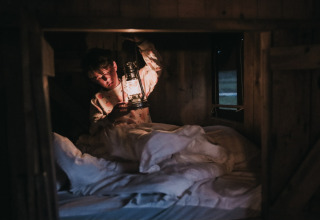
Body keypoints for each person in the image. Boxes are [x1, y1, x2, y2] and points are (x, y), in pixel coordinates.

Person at [82, 35, 163, 135]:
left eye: (106, 72)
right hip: (121, 143)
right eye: (98, 77)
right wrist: (111, 117)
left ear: (114, 65)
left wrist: (142, 44)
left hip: (144, 138)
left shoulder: (136, 82)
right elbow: (94, 129)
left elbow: (155, 67)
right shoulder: (98, 100)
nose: (106, 79)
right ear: (93, 80)